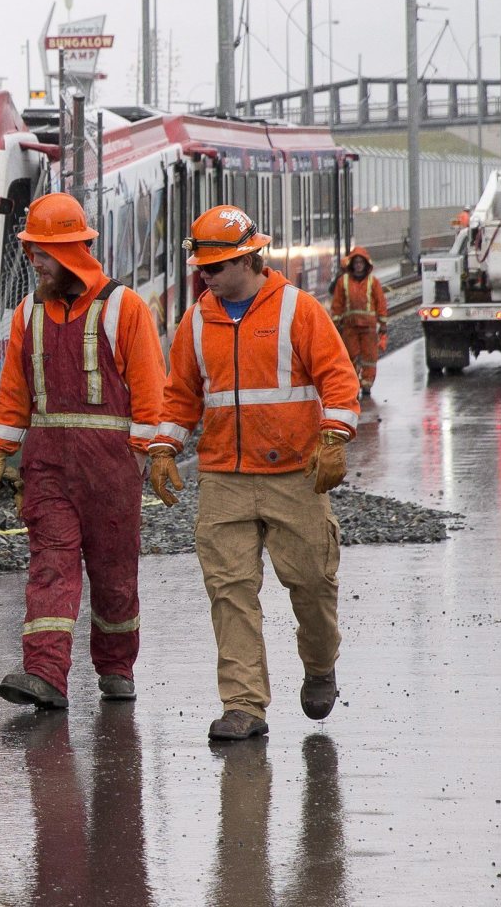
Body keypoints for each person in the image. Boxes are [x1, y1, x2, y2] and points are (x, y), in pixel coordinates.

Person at [148, 204, 361, 743]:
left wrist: (334, 439)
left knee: (312, 583)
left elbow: (339, 380)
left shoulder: (298, 311)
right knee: (230, 590)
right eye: (201, 268)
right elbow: (180, 396)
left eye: (215, 268)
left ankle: (319, 666)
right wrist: (164, 448)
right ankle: (243, 705)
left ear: (249, 258)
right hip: (224, 479)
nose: (206, 277)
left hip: (295, 476)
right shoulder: (197, 320)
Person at [0, 193, 166, 711]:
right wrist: (1, 449)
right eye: (33, 252)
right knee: (50, 565)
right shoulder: (29, 314)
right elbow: (15, 391)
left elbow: (150, 386)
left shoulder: (123, 308)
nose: (33, 262)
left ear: (69, 253)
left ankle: (115, 665)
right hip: (47, 466)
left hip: (111, 466)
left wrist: (145, 453)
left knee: (114, 573)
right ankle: (44, 673)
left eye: (41, 253)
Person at [327, 246, 388, 398]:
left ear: (366, 264)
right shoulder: (344, 282)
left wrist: (383, 324)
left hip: (368, 327)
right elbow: (337, 304)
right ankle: (353, 385)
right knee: (350, 357)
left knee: (369, 357)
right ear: (352, 264)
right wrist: (336, 324)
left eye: (361, 262)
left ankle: (367, 384)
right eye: (356, 262)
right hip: (350, 327)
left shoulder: (373, 282)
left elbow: (380, 302)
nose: (358, 265)